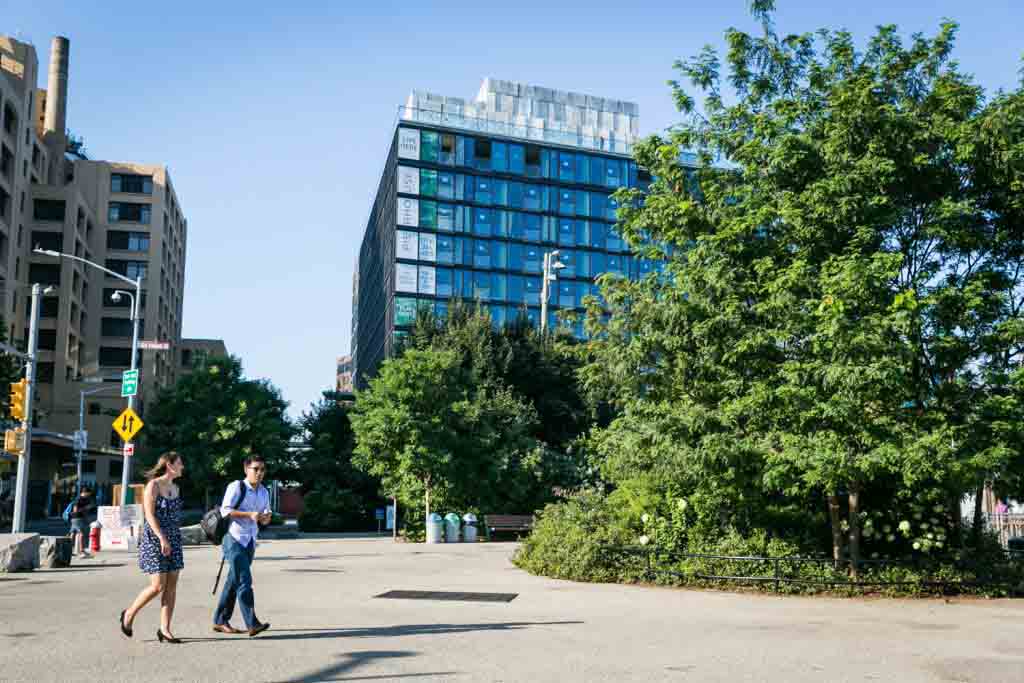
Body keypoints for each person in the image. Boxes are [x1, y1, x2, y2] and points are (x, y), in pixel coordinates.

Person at [119, 451, 185, 644]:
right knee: (157, 586)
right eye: (180, 463)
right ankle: (129, 614)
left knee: (171, 587)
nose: (182, 467)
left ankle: (165, 629)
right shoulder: (153, 486)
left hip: (173, 537)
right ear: (169, 465)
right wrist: (162, 538)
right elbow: (149, 515)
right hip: (155, 538)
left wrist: (172, 538)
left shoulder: (176, 488)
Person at [212, 454, 272, 637]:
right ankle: (252, 623)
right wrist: (249, 515)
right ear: (246, 469)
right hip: (234, 538)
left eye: (262, 469)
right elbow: (225, 510)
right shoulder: (236, 486)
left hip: (250, 540)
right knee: (244, 580)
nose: (259, 473)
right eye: (256, 469)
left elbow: (265, 514)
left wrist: (266, 517)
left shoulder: (264, 491)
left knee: (234, 581)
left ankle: (220, 620)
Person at [69, 487, 96, 558]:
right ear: (85, 492)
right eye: (88, 494)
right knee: (81, 534)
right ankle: (81, 551)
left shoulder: (84, 499)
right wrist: (86, 508)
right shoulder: (78, 499)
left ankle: (69, 550)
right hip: (77, 518)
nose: (89, 495)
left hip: (76, 518)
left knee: (73, 533)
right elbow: (75, 510)